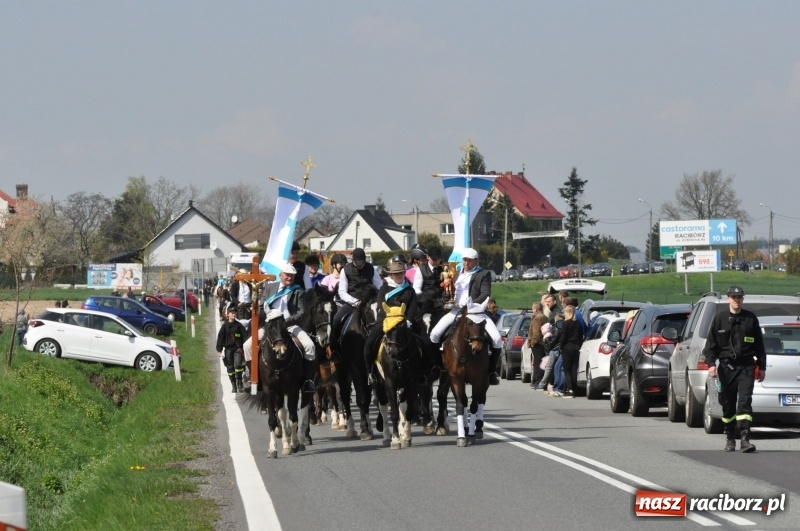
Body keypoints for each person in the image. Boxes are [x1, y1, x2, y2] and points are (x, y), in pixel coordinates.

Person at [704, 285, 766, 453]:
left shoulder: (750, 319)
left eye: (739, 297)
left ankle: (745, 439)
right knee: (728, 404)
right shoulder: (720, 319)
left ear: (742, 299)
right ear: (728, 299)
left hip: (746, 366)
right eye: (733, 297)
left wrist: (762, 367)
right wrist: (711, 365)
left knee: (745, 402)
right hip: (726, 367)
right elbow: (710, 346)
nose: (736, 300)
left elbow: (759, 345)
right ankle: (730, 437)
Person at [429, 247, 503, 385]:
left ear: (476, 261)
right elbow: (447, 290)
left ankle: (491, 372)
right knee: (434, 334)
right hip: (454, 310)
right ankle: (437, 367)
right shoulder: (454, 273)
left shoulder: (483, 274)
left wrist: (471, 304)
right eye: (464, 260)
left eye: (469, 260)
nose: (466, 263)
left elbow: (485, 293)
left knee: (497, 339)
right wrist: (446, 297)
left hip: (475, 312)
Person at [260, 262, 317, 394]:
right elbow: (262, 304)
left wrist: (285, 321)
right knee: (247, 346)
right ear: (280, 275)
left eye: (292, 275)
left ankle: (308, 381)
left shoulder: (298, 291)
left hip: (289, 326)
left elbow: (301, 312)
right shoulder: (269, 288)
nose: (289, 278)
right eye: (287, 275)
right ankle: (253, 379)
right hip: (270, 327)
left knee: (310, 346)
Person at [363, 255, 419, 385]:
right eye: (395, 274)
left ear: (404, 273)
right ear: (391, 275)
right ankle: (370, 372)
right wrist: (390, 321)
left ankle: (424, 372)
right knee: (369, 343)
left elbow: (413, 307)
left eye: (400, 273)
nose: (398, 276)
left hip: (405, 322)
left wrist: (408, 322)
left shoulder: (409, 289)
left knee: (425, 341)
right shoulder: (384, 288)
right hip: (386, 321)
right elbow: (382, 306)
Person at [329, 248, 383, 351]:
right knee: (336, 319)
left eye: (362, 262)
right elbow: (342, 292)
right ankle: (335, 349)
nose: (360, 265)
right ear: (352, 260)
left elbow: (379, 286)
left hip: (370, 302)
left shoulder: (371, 268)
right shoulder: (345, 270)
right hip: (352, 302)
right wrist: (355, 301)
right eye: (357, 262)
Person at [216, 307, 248, 393]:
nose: (233, 314)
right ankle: (234, 385)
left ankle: (240, 384)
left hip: (237, 349)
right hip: (228, 350)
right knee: (230, 368)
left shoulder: (239, 325)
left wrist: (244, 346)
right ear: (228, 314)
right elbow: (220, 337)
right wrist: (219, 349)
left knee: (238, 366)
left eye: (235, 313)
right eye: (232, 313)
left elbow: (245, 335)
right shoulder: (225, 326)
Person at [558, 305, 583, 398]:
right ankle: (574, 388)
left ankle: (570, 388)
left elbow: (563, 337)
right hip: (576, 347)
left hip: (567, 347)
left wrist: (561, 347)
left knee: (566, 369)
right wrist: (579, 346)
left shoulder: (565, 324)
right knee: (574, 369)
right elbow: (581, 337)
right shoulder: (578, 324)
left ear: (567, 313)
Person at [527, 301, 548, 389]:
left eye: (532, 308)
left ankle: (538, 381)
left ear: (535, 309)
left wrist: (532, 342)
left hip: (538, 344)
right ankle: (541, 380)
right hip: (544, 343)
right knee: (542, 362)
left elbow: (536, 333)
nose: (532, 310)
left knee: (538, 362)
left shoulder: (537, 318)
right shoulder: (544, 317)